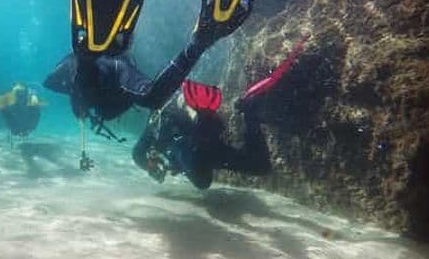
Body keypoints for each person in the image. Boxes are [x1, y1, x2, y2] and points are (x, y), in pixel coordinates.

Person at [43, 0, 264, 167]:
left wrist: (76, 91)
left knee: (90, 78)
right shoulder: (120, 66)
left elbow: (50, 81)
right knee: (142, 96)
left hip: (85, 69)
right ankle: (197, 42)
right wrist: (198, 44)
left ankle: (88, 56)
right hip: (96, 72)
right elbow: (151, 96)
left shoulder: (94, 66)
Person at [132, 35, 309, 188]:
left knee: (203, 180)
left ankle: (248, 111)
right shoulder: (161, 117)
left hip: (198, 147)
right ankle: (249, 111)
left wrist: (152, 167)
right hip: (208, 145)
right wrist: (152, 165)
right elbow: (138, 154)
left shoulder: (156, 122)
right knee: (259, 166)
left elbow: (138, 153)